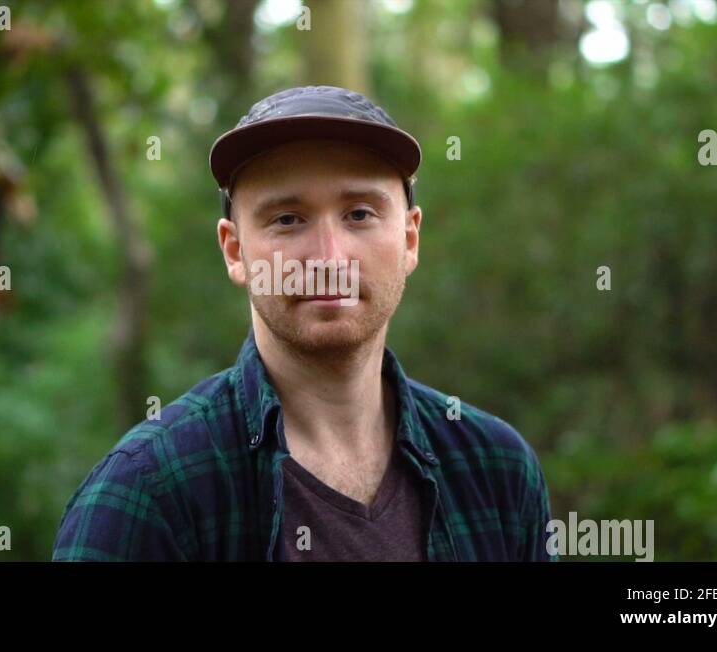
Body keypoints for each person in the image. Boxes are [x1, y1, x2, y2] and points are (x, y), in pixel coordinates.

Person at [52, 85, 556, 561]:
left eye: (359, 214)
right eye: (288, 219)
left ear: (409, 240)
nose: (328, 258)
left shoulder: (497, 471)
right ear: (234, 250)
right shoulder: (147, 492)